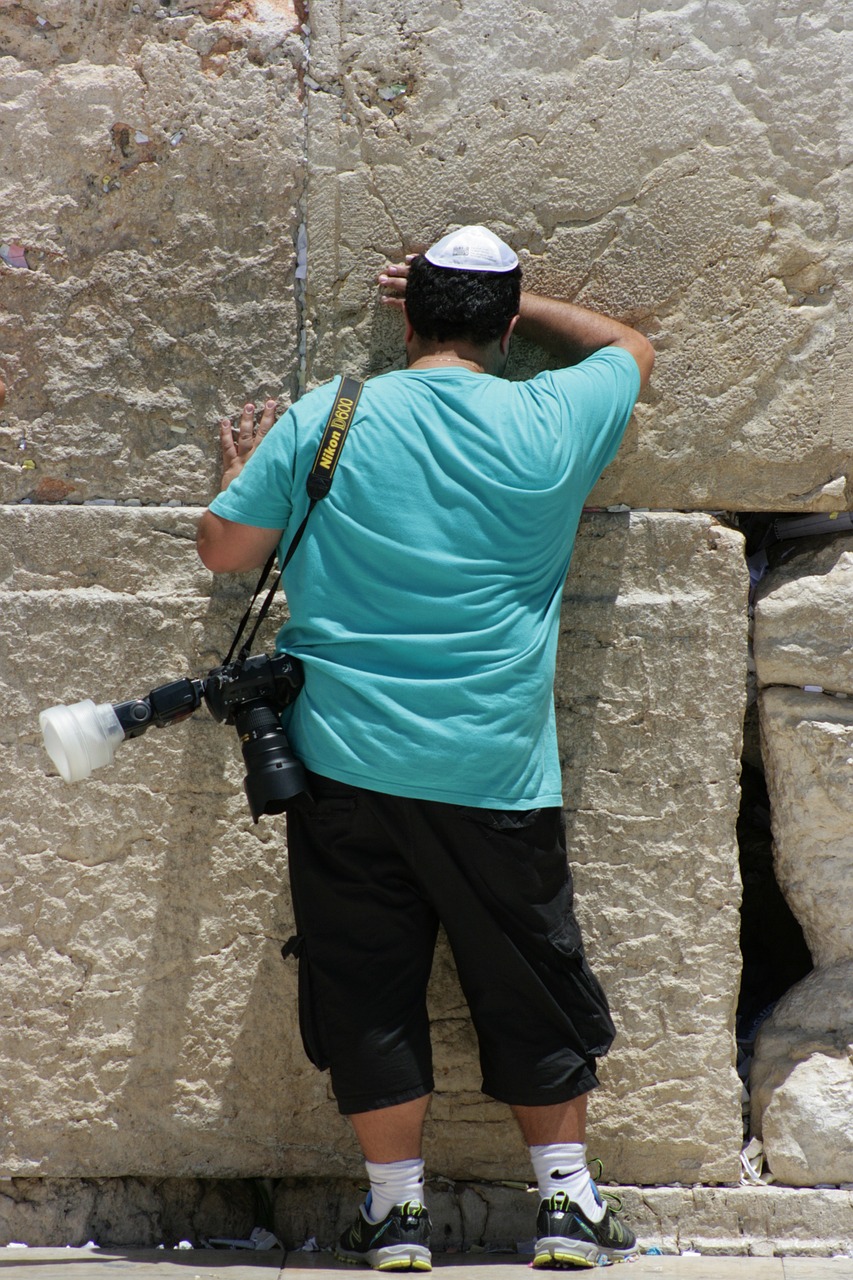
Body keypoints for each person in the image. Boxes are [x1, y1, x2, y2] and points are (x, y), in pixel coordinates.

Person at [197, 225, 654, 1271]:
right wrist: (527, 305)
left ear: (405, 316)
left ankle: (395, 1212)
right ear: (501, 325)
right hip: (496, 769)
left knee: (364, 982)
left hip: (342, 768)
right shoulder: (552, 412)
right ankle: (567, 1205)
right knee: (531, 979)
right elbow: (628, 345)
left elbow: (227, 550)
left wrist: (237, 473)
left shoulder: (329, 418)